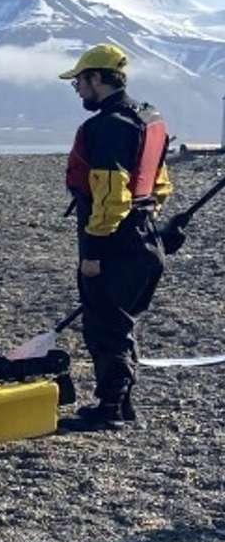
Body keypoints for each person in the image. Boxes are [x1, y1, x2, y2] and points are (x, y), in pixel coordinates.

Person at [58, 44, 171, 431]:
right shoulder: (148, 118)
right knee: (121, 322)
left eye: (79, 81)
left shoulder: (105, 127)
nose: (76, 89)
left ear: (97, 79)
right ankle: (119, 403)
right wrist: (152, 224)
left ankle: (111, 408)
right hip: (143, 241)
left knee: (106, 326)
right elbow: (159, 183)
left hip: (115, 246)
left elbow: (109, 196)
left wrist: (92, 252)